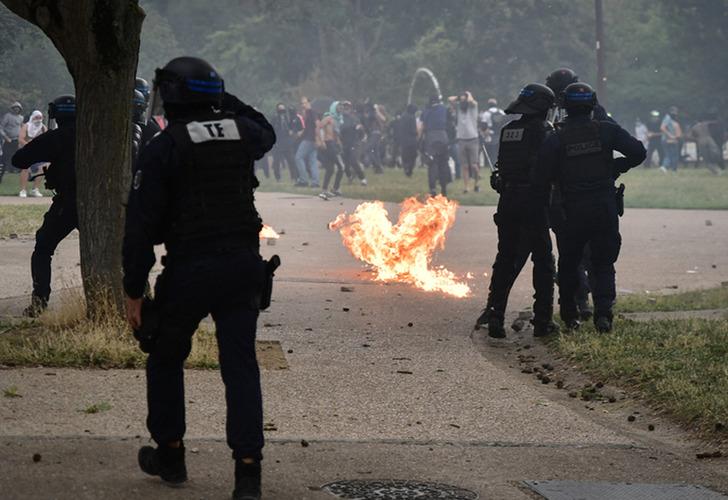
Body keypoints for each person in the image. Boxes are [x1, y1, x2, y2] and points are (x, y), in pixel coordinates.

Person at [122, 56, 276, 500]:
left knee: (166, 358)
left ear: (171, 96)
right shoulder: (242, 132)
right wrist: (219, 96)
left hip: (190, 269)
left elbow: (140, 230)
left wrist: (134, 289)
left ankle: (170, 455)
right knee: (241, 367)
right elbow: (265, 126)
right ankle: (248, 473)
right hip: (243, 268)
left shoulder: (164, 147)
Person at [533, 82, 646, 333]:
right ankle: (604, 314)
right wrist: (615, 168)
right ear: (593, 103)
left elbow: (541, 175)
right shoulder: (607, 131)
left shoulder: (556, 138)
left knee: (569, 261)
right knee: (603, 262)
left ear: (564, 106)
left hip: (571, 210)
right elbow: (638, 152)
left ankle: (570, 314)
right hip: (603, 207)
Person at [475, 84, 559, 338]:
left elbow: (503, 169)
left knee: (505, 259)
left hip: (508, 201)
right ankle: (543, 321)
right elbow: (551, 168)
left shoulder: (508, 131)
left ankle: (495, 316)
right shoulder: (545, 132)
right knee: (543, 261)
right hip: (533, 202)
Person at [11, 96, 77, 317]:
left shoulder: (54, 137)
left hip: (67, 202)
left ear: (55, 114)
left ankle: (39, 301)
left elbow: (19, 160)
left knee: (43, 248)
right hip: (94, 204)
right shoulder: (95, 135)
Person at [420, 95, 451, 197]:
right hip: (443, 136)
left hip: (431, 137)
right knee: (443, 163)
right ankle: (444, 188)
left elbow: (422, 126)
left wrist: (420, 140)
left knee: (432, 164)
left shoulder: (426, 111)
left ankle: (432, 188)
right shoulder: (444, 109)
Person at [17, 110, 47, 197]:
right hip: (26, 151)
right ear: (32, 117)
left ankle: (35, 189)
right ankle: (23, 190)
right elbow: (21, 139)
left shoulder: (43, 128)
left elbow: (47, 139)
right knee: (25, 168)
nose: (38, 120)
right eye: (36, 117)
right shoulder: (26, 126)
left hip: (38, 153)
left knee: (44, 167)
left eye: (40, 118)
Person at [318, 101, 345, 199]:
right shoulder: (329, 118)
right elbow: (319, 127)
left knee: (330, 169)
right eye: (339, 106)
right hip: (328, 144)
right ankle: (335, 188)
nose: (341, 107)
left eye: (342, 106)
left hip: (333, 144)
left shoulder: (338, 119)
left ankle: (324, 190)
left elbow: (335, 134)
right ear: (334, 107)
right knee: (341, 166)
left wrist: (339, 143)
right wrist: (322, 141)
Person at [454, 91, 480, 192]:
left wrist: (468, 95)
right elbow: (450, 99)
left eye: (464, 99)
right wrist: (459, 97)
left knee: (474, 165)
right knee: (464, 166)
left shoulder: (473, 107)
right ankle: (466, 187)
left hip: (473, 139)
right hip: (461, 140)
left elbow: (472, 101)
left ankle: (476, 184)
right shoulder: (459, 108)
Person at [338, 100, 367, 185]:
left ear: (350, 108)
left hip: (354, 142)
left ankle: (363, 179)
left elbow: (361, 130)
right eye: (344, 107)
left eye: (348, 107)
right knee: (345, 164)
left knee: (354, 160)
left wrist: (361, 137)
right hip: (344, 144)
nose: (346, 108)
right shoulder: (340, 119)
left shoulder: (354, 118)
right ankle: (350, 176)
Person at [294, 96, 320, 187]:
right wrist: (302, 133)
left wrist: (317, 138)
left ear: (309, 103)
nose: (303, 105)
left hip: (310, 139)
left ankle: (303, 180)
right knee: (312, 160)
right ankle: (315, 182)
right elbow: (308, 127)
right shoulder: (307, 113)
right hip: (309, 138)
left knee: (298, 157)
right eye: (301, 103)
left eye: (304, 103)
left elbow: (317, 124)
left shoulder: (312, 112)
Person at [270, 102, 299, 182]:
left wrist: (292, 131)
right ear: (277, 110)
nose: (282, 111)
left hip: (287, 142)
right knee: (276, 162)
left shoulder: (288, 118)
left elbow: (294, 127)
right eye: (280, 109)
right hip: (278, 143)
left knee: (291, 161)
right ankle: (278, 178)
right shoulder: (274, 118)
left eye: (283, 109)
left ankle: (294, 177)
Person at [1, 101, 24, 183]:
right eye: (15, 108)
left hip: (17, 140)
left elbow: (22, 128)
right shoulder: (7, 116)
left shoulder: (21, 118)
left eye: (18, 108)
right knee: (4, 158)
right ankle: (1, 176)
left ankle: (22, 175)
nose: (16, 109)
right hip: (8, 140)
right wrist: (6, 137)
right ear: (12, 109)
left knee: (18, 157)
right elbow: (1, 128)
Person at [480, 98, 506, 163]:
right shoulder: (501, 112)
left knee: (493, 154)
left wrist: (484, 135)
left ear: (488, 105)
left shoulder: (486, 113)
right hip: (502, 135)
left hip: (491, 135)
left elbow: (483, 126)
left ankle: (494, 167)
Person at [660, 106, 682, 173]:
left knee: (669, 155)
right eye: (674, 112)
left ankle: (667, 167)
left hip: (667, 140)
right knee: (673, 155)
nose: (675, 113)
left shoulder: (670, 119)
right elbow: (662, 128)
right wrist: (670, 136)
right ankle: (667, 167)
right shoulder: (667, 118)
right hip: (669, 140)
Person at [399, 104, 419, 177]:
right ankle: (410, 169)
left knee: (405, 155)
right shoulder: (412, 117)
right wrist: (417, 134)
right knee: (413, 155)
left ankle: (406, 168)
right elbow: (413, 129)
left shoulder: (403, 116)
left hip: (404, 139)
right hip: (412, 139)